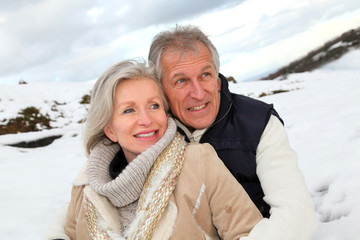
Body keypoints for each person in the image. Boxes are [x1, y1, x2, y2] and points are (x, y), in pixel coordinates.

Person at [45, 59, 262, 239]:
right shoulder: (85, 187)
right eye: (129, 110)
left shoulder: (200, 162)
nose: (146, 119)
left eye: (154, 105)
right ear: (110, 129)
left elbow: (249, 234)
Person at [147, 25, 319, 239]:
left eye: (205, 75)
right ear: (161, 89)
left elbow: (298, 217)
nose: (199, 94)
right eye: (181, 81)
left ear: (218, 80)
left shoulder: (258, 123)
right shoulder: (149, 135)